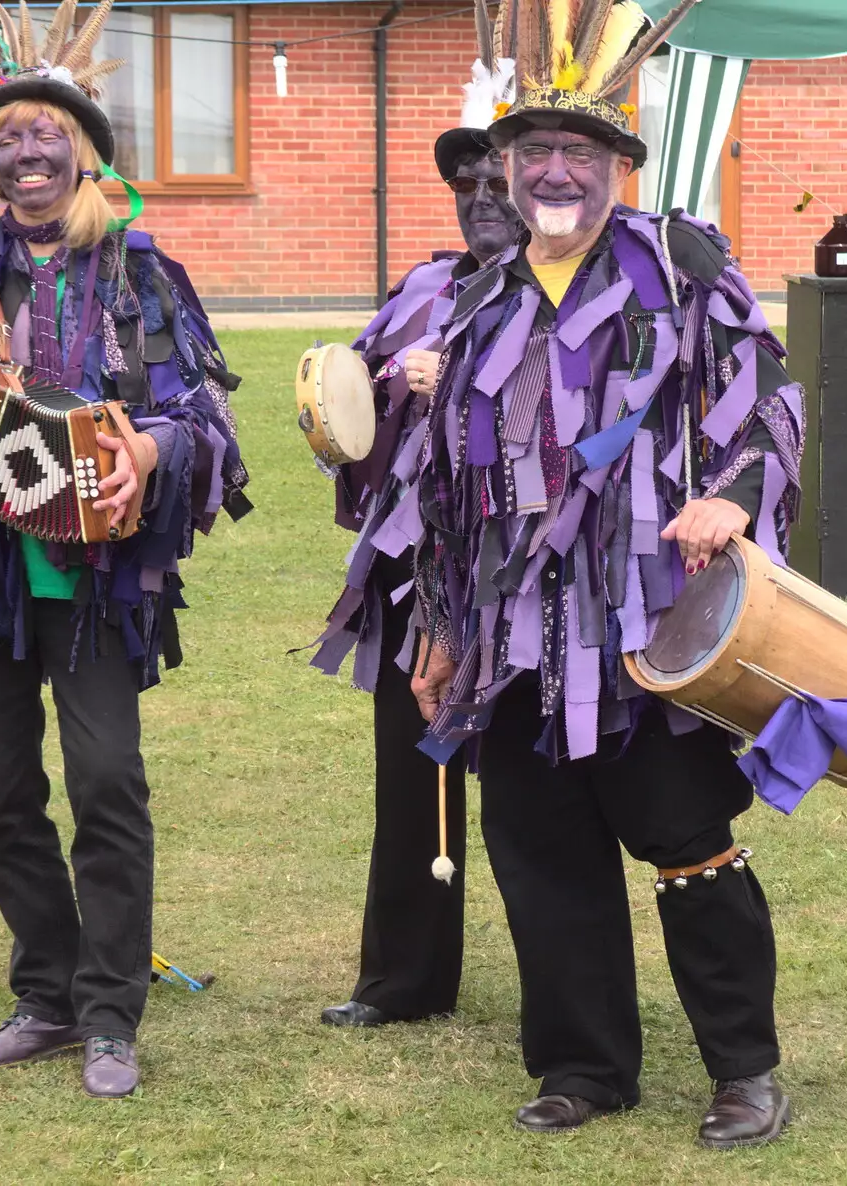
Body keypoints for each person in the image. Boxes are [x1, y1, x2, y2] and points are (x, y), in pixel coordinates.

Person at [362, 0, 803, 1147]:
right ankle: (583, 1064)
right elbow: (447, 497)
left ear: (616, 166)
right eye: (534, 154)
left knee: (686, 841)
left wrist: (733, 493)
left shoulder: (680, 262)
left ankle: (743, 1069)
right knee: (541, 853)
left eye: (580, 153)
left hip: (645, 620)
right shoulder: (476, 303)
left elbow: (773, 401)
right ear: (503, 172)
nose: (555, 171)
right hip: (512, 641)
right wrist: (443, 632)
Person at [0, 4, 250, 1099]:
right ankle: (49, 994)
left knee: (107, 782)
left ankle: (112, 1014)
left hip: (94, 575)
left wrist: (152, 451)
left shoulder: (138, 273)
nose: (26, 152)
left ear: (82, 151)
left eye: (45, 133)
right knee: (6, 792)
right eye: (6, 137)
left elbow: (200, 410)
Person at [313, 56, 522, 1029]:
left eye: (496, 179)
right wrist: (383, 390)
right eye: (465, 183)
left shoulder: (565, 290)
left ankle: (564, 999)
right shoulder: (422, 286)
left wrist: (471, 393)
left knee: (535, 787)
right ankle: (402, 980)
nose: (479, 198)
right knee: (412, 772)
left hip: (526, 574)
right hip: (416, 574)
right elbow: (353, 419)